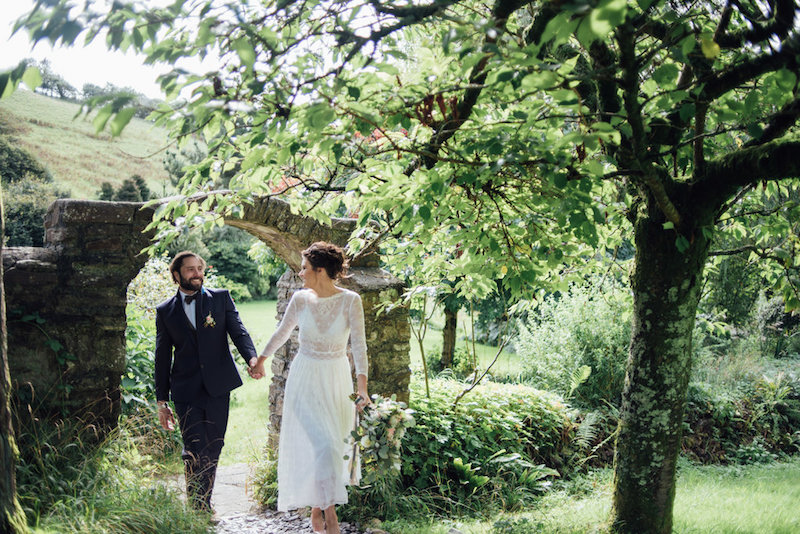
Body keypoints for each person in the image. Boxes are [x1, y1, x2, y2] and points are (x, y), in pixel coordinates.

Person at [248, 242, 370, 534]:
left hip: (336, 380)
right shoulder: (300, 299)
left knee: (331, 446)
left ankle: (317, 505)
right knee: (323, 445)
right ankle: (330, 515)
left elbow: (360, 346)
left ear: (320, 270)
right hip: (304, 379)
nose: (300, 273)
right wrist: (261, 360)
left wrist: (362, 388)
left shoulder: (351, 300)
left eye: (304, 268)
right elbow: (282, 333)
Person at [154, 250, 259, 515]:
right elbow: (162, 356)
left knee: (214, 445)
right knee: (193, 447)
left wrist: (252, 358)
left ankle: (204, 500)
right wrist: (161, 401)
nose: (197, 274)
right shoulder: (165, 311)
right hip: (185, 390)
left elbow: (238, 330)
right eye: (190, 269)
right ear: (176, 275)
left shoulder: (220, 298)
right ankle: (197, 506)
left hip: (217, 387)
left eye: (199, 268)